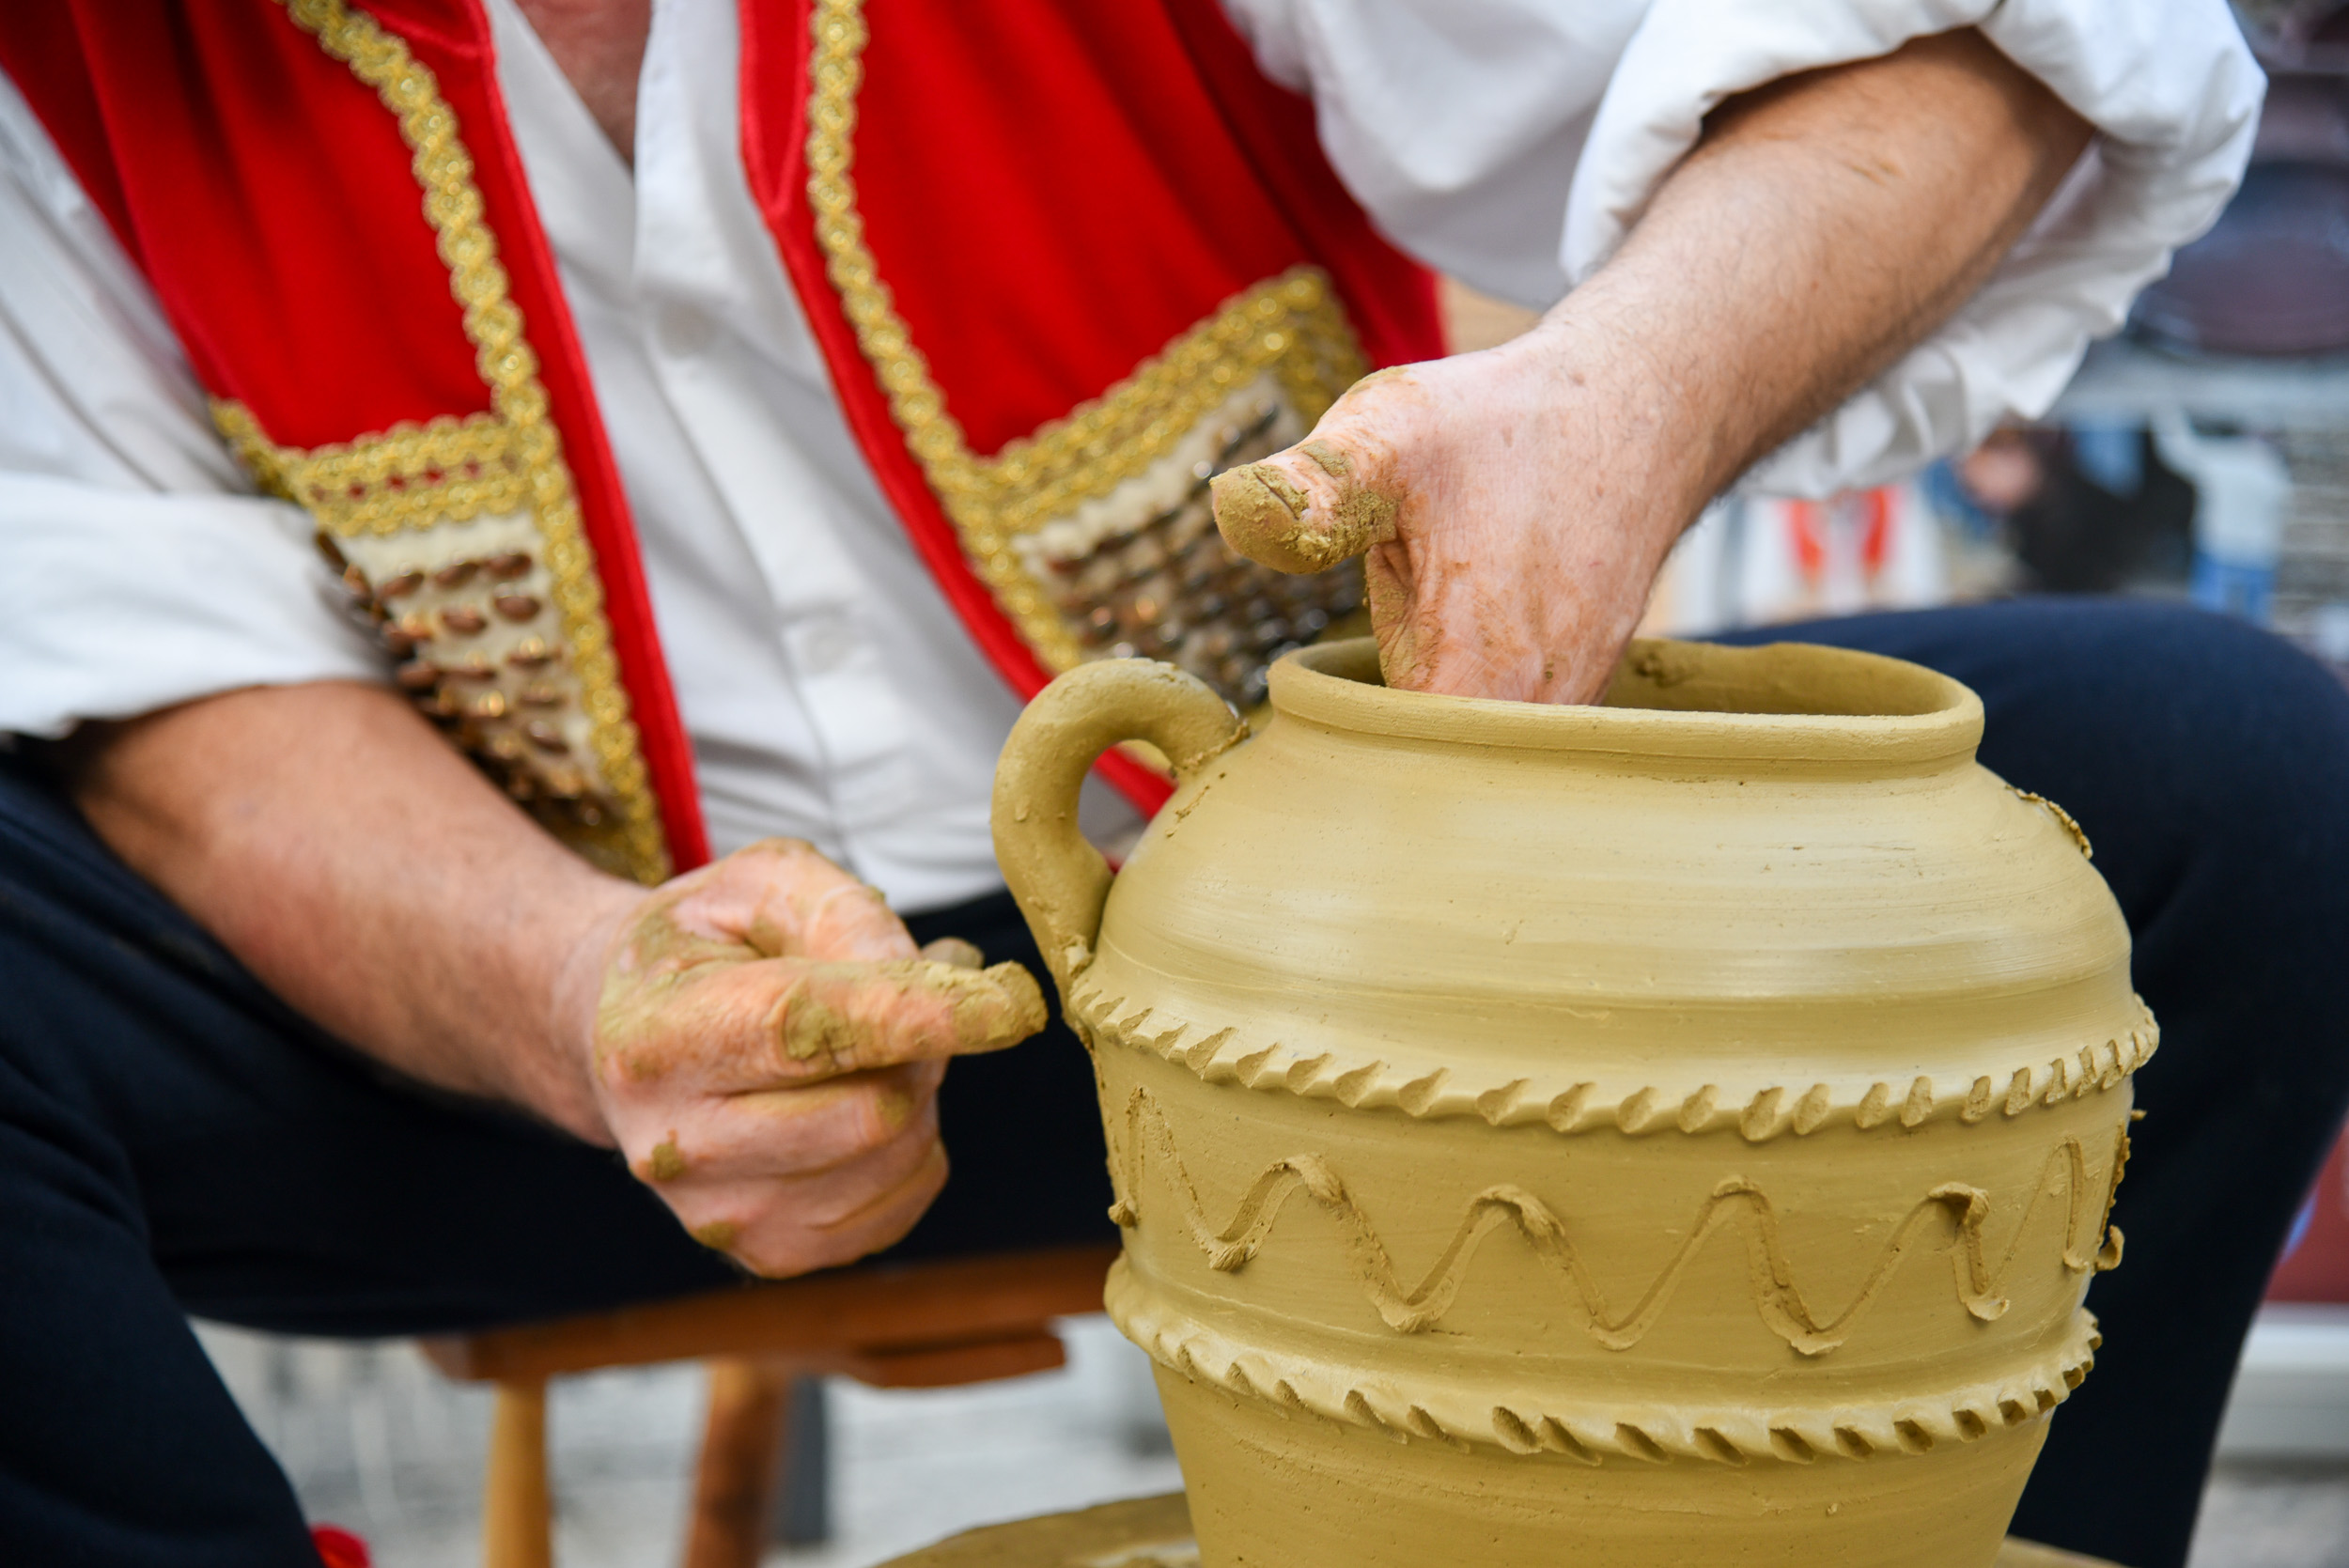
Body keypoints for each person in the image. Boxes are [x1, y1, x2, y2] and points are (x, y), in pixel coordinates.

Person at [1, 4, 2340, 1567]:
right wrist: (581, 988)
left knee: (2219, 778)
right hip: (515, 1054)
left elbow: (1997, 44)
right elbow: (180, 716)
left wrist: (1620, 394)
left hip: (1331, 991)